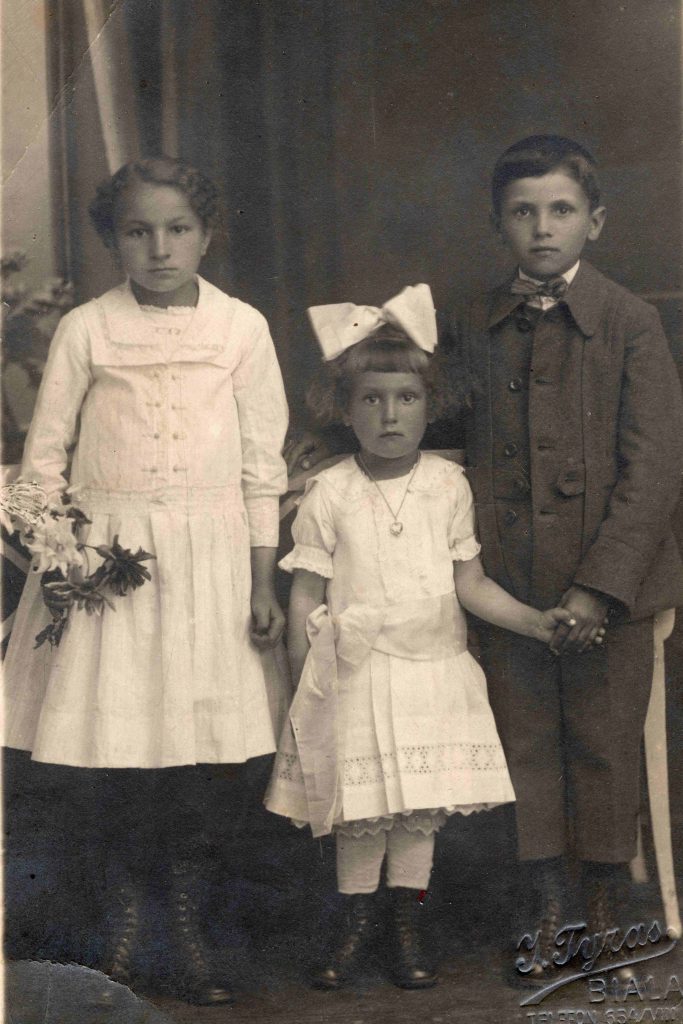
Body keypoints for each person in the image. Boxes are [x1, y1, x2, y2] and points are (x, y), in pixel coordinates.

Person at [3, 157, 289, 1005]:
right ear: (112, 239)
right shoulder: (87, 328)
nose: (160, 248)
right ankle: (130, 930)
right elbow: (41, 464)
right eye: (138, 231)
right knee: (117, 754)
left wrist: (261, 581)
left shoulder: (241, 328)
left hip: (211, 566)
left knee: (201, 761)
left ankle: (187, 932)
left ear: (206, 234)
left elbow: (262, 467)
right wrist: (63, 558)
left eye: (177, 229)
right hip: (106, 566)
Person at [265, 284, 576, 991]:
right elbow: (306, 593)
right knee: (360, 811)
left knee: (415, 811)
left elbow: (471, 583)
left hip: (431, 669)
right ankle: (354, 923)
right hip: (355, 673)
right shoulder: (330, 492)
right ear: (344, 409)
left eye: (405, 398)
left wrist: (535, 621)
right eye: (371, 399)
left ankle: (406, 925)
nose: (389, 414)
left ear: (429, 405)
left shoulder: (447, 485)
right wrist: (300, 687)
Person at [450, 135, 683, 983]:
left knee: (602, 744)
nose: (541, 228)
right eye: (522, 212)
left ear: (595, 221)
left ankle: (604, 909)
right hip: (509, 589)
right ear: (497, 223)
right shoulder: (473, 323)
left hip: (607, 590)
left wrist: (597, 590)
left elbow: (653, 470)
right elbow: (442, 432)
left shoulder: (629, 322)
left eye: (559, 210)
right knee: (523, 742)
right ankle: (545, 906)